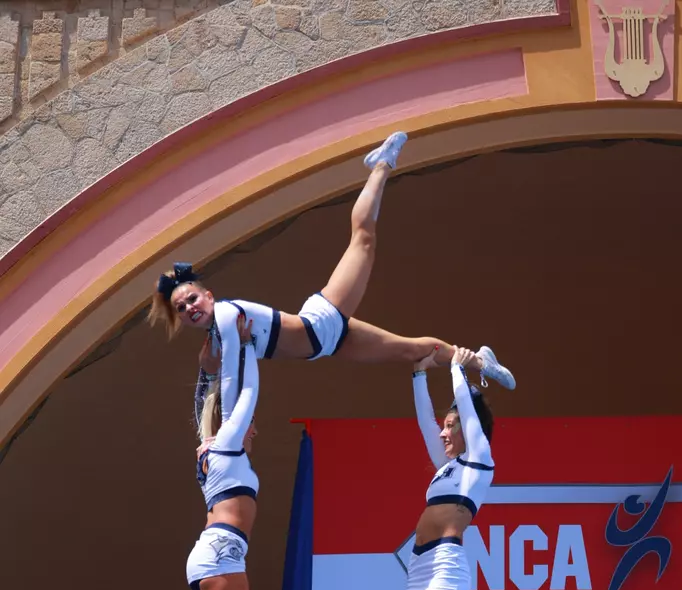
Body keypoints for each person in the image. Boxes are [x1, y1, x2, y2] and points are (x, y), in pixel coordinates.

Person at [148, 132, 514, 395]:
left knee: (363, 240)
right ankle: (481, 362)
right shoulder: (213, 342)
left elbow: (230, 383)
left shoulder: (227, 317)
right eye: (181, 308)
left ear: (209, 296)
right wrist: (209, 373)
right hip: (328, 344)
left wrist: (218, 380)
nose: (189, 307)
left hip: (321, 320)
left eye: (192, 299)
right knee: (411, 349)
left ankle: (381, 164)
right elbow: (212, 383)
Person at [403, 346, 497, 590]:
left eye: (449, 427)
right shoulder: (446, 466)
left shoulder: (479, 460)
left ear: (467, 430)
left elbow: (468, 412)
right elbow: (425, 422)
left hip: (446, 562)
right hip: (419, 563)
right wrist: (419, 373)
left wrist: (457, 368)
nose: (442, 433)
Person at [185, 316, 259, 590]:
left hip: (218, 551)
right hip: (221, 553)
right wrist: (246, 347)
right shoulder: (226, 444)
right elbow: (247, 392)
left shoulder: (210, 447)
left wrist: (207, 370)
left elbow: (207, 404)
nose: (254, 431)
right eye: (251, 423)